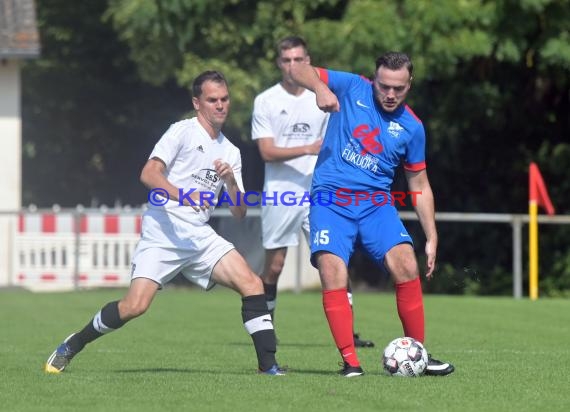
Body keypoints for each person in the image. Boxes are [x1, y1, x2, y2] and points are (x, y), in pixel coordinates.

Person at [44, 70, 285, 376]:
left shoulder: (230, 152)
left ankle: (269, 367)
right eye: (213, 100)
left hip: (199, 236)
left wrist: (230, 182)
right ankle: (75, 342)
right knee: (135, 306)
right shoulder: (181, 132)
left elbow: (238, 212)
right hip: (163, 233)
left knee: (252, 283)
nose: (221, 105)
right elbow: (149, 174)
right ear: (197, 103)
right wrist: (183, 195)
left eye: (224, 99)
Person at [290, 52, 455, 377]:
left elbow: (419, 182)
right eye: (384, 86)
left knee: (406, 263)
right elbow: (298, 68)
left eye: (399, 88)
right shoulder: (351, 87)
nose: (390, 95)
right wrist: (320, 88)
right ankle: (350, 362)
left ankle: (418, 356)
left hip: (375, 205)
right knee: (332, 269)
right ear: (374, 79)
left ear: (410, 84)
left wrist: (432, 235)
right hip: (331, 201)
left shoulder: (412, 127)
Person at [251, 36, 374, 348]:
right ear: (279, 63)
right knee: (275, 265)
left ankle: (349, 333)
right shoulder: (266, 100)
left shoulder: (321, 96)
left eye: (299, 60)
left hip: (320, 192)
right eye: (287, 60)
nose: (293, 66)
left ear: (308, 61)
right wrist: (309, 147)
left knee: (333, 259)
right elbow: (266, 151)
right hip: (281, 192)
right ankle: (267, 330)